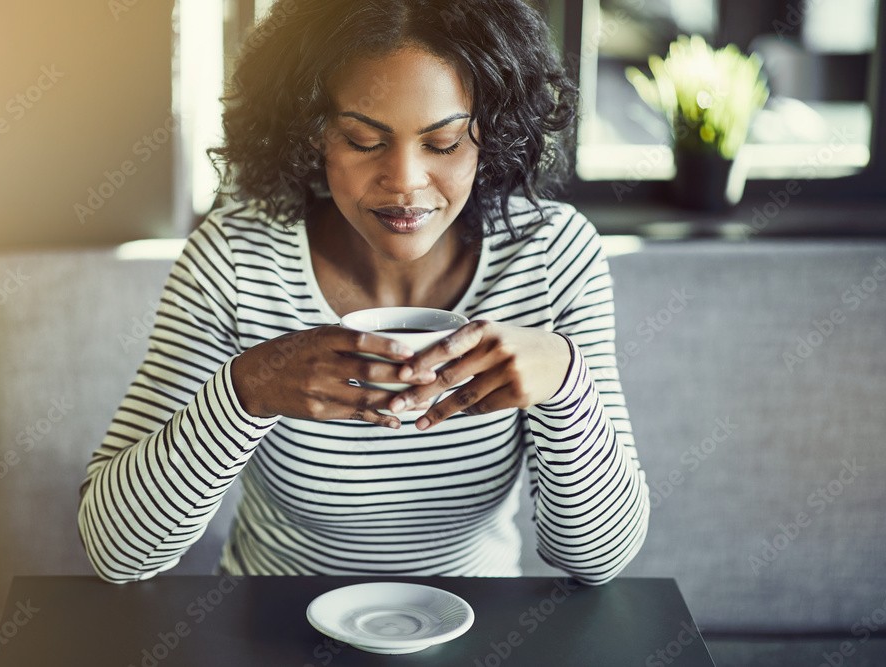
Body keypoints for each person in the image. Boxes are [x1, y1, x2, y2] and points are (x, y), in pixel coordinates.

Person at [78, 0, 649, 585]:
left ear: (492, 133)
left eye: (445, 142)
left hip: (476, 629)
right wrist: (244, 393)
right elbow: (117, 553)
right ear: (310, 133)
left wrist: (565, 384)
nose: (404, 181)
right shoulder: (235, 257)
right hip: (274, 629)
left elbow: (599, 562)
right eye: (362, 139)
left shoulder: (551, 255)